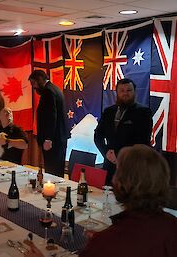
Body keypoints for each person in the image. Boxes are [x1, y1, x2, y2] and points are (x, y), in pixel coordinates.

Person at [25, 145, 177, 257]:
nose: (113, 178)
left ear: (123, 183)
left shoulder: (108, 243)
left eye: (117, 173)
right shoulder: (172, 226)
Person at [94, 78, 152, 185]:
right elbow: (98, 135)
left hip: (131, 166)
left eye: (129, 90)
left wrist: (120, 155)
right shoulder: (108, 111)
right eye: (122, 90)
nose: (125, 93)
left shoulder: (143, 112)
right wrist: (106, 152)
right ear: (117, 93)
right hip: (109, 164)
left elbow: (143, 141)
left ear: (135, 92)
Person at [29, 70, 69, 178]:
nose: (34, 87)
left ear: (40, 80)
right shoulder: (55, 89)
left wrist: (48, 139)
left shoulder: (48, 91)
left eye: (34, 83)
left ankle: (52, 193)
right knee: (57, 171)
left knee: (52, 171)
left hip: (53, 140)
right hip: (58, 138)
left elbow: (51, 117)